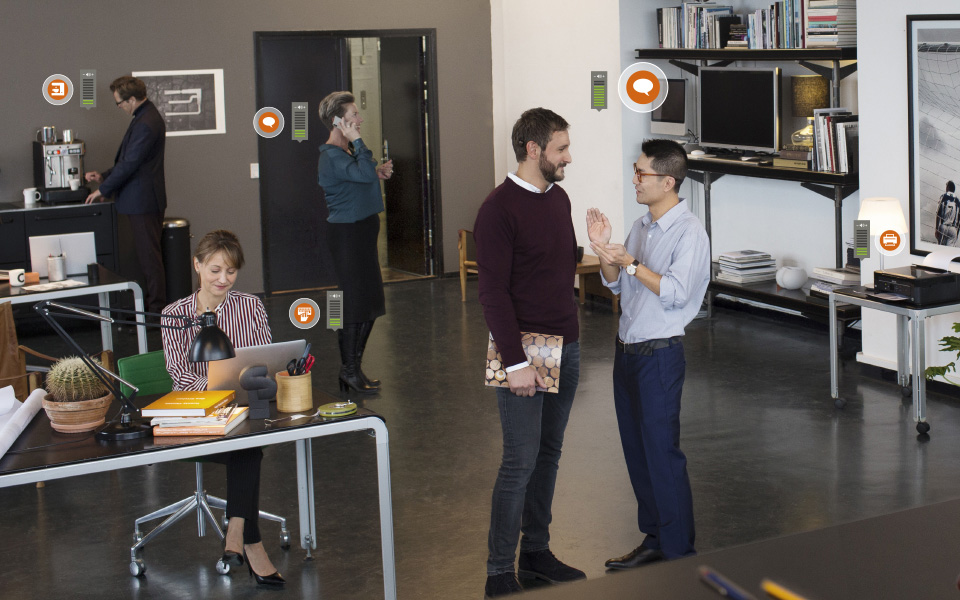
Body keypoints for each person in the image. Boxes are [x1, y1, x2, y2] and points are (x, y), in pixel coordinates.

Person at [474, 108, 584, 598]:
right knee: (519, 461)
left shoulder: (558, 199)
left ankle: (535, 553)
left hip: (567, 345)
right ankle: (499, 572)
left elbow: (559, 267)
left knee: (549, 454)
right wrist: (515, 362)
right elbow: (492, 293)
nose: (568, 157)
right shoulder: (497, 209)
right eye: (561, 148)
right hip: (524, 352)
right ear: (533, 149)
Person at [587, 139, 710, 569]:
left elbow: (676, 292)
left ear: (668, 181)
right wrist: (604, 251)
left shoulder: (689, 232)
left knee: (662, 454)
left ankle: (679, 553)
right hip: (627, 352)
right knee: (637, 452)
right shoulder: (641, 225)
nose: (635, 180)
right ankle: (655, 539)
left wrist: (631, 262)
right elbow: (616, 283)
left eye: (642, 173)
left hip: (659, 356)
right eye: (636, 172)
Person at [161, 230, 284, 587]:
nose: (223, 279)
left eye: (231, 271)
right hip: (198, 417)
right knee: (248, 448)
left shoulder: (250, 306)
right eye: (215, 270)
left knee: (246, 440)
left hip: (244, 411)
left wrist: (245, 382)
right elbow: (181, 377)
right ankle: (247, 540)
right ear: (197, 265)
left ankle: (238, 534)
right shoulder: (175, 314)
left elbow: (263, 360)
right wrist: (224, 387)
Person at [316, 91, 393, 395]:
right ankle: (348, 370)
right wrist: (359, 143)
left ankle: (354, 368)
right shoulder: (330, 155)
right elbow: (358, 173)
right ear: (338, 121)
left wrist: (375, 173)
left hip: (361, 234)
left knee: (369, 303)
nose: (359, 119)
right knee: (353, 304)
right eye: (354, 114)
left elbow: (358, 176)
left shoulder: (344, 153)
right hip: (348, 237)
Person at [84, 75, 167, 315]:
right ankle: (152, 309)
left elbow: (131, 164)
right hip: (140, 200)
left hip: (143, 201)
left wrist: (103, 189)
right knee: (146, 258)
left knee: (149, 259)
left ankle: (156, 313)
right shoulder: (144, 117)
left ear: (131, 99)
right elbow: (129, 161)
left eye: (119, 102)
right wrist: (103, 176)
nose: (119, 107)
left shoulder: (146, 122)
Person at [935, 180, 960, 246]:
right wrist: (957, 233)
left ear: (948, 187)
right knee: (949, 250)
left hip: (943, 226)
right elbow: (959, 219)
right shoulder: (957, 201)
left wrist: (936, 229)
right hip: (953, 229)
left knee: (941, 248)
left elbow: (938, 214)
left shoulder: (943, 197)